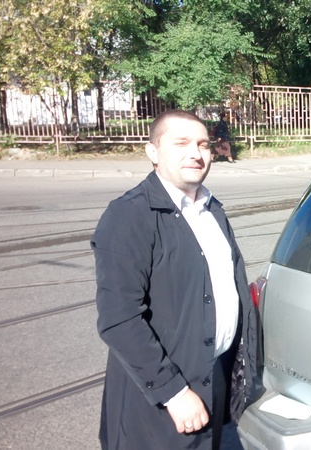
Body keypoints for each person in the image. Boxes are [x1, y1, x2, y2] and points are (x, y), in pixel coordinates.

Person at [91, 109, 263, 450]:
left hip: (212, 377)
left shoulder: (211, 209)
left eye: (203, 144)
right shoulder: (130, 215)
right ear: (153, 152)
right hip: (162, 399)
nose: (195, 153)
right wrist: (174, 393)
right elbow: (119, 319)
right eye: (181, 143)